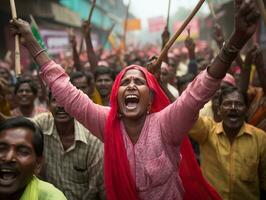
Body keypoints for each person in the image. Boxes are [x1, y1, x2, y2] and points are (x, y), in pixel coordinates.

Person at [9, 0, 259, 199]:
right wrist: (32, 43)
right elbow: (67, 92)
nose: (130, 85)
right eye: (125, 82)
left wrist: (235, 40)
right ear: (115, 97)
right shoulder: (106, 123)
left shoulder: (165, 124)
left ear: (150, 99)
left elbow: (197, 93)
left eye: (139, 82)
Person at [189, 87, 266, 200]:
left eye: (239, 104)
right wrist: (160, 84)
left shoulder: (260, 138)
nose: (233, 108)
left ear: (246, 109)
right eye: (227, 104)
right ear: (219, 109)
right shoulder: (207, 131)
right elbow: (184, 113)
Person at [33, 93, 105, 200]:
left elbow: (98, 187)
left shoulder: (92, 139)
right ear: (48, 105)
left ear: (75, 105)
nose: (61, 105)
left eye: (66, 100)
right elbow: (16, 128)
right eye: (55, 100)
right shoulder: (41, 124)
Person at [0, 117, 67, 200]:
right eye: (1, 149)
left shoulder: (52, 197)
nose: (9, 158)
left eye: (23, 152)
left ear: (38, 164)